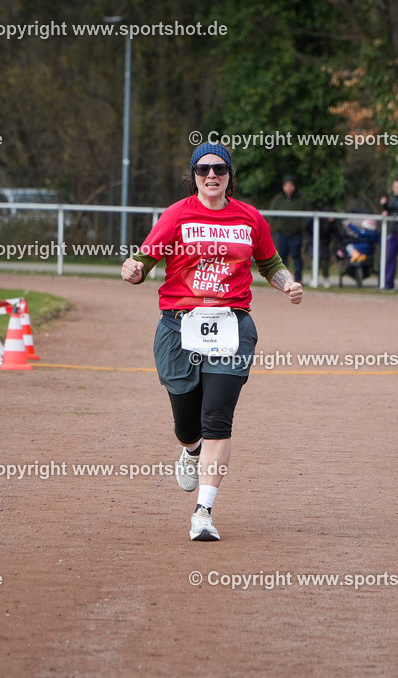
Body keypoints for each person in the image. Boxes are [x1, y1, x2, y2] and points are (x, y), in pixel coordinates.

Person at [120, 142, 303, 542]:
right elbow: (143, 262)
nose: (212, 176)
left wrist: (287, 283)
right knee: (187, 423)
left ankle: (203, 511)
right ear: (194, 176)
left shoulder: (250, 217)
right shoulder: (176, 215)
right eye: (203, 170)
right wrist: (133, 269)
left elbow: (269, 262)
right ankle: (189, 449)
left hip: (232, 326)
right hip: (178, 327)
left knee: (218, 419)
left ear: (229, 175)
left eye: (219, 168)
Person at [268, 174, 310, 283]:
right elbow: (272, 214)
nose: (289, 188)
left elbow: (306, 216)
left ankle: (298, 278)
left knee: (296, 256)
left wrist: (301, 227)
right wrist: (276, 226)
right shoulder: (278, 199)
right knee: (281, 257)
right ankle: (283, 279)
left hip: (296, 234)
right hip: (281, 233)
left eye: (291, 185)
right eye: (286, 185)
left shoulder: (301, 199)